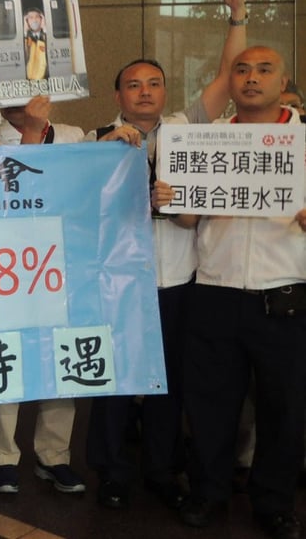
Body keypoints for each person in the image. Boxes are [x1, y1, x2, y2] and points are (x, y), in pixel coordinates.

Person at [86, 0, 246, 511]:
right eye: (134, 85)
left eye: (153, 83)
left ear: (165, 93)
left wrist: (237, 13)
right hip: (114, 283)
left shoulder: (186, 129)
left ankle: (159, 468)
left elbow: (229, 75)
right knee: (111, 381)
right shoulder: (95, 142)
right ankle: (109, 471)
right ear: (118, 95)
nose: (145, 92)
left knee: (166, 382)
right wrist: (107, 154)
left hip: (176, 278)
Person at [174, 46, 306, 539]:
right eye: (241, 69)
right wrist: (171, 198)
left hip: (285, 293)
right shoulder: (207, 141)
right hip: (215, 290)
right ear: (229, 81)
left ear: (283, 79)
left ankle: (273, 501)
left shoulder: (303, 140)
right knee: (209, 404)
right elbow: (188, 219)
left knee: (285, 408)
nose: (251, 78)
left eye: (264, 70)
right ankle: (208, 492)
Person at [0, 95, 87, 495]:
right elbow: (8, 194)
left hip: (62, 262)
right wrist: (30, 131)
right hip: (6, 264)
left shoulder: (75, 136)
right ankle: (3, 457)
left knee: (60, 361)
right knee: (4, 358)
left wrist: (123, 141)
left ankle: (54, 455)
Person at [24, 7, 48, 80]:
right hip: (29, 80)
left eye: (37, 17)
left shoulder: (46, 35)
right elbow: (25, 53)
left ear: (41, 19)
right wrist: (25, 31)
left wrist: (44, 29)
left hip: (44, 79)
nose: (34, 20)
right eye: (31, 18)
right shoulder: (25, 37)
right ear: (27, 21)